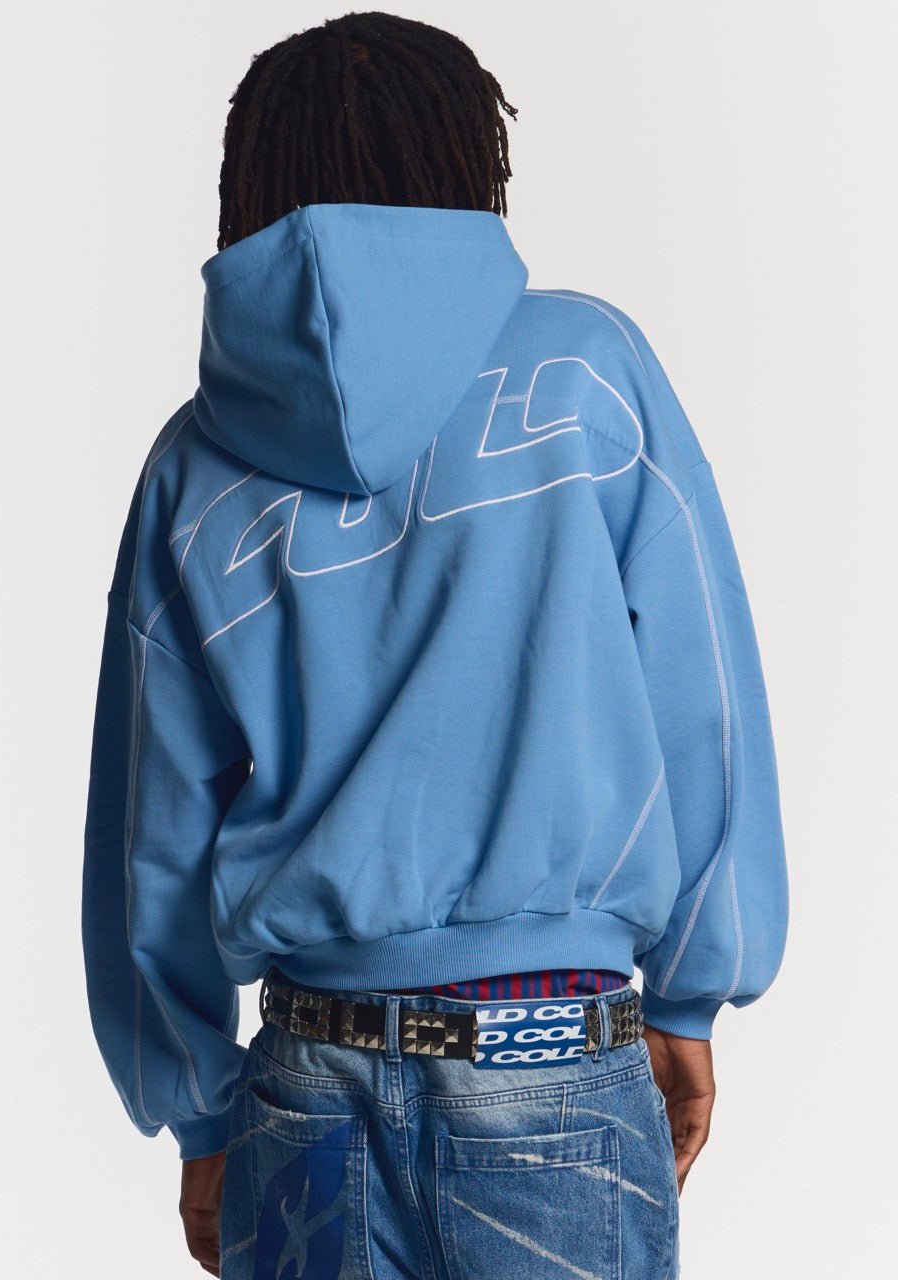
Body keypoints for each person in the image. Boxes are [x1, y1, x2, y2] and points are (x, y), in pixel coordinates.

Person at [82, 11, 788, 1277]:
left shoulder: (195, 464)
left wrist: (194, 1102)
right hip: (554, 1060)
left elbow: (151, 826)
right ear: (468, 164)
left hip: (303, 1087)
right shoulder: (584, 376)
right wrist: (689, 990)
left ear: (252, 185)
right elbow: (705, 706)